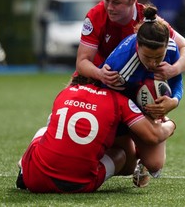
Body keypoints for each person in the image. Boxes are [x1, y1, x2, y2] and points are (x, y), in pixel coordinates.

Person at [16, 75, 176, 193]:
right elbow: (153, 136)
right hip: (79, 185)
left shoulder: (66, 92)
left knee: (45, 130)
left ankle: (24, 168)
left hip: (35, 180)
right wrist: (170, 123)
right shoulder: (118, 100)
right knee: (123, 156)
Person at [101, 4, 183, 187]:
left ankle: (159, 124)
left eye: (158, 57)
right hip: (118, 108)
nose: (153, 63)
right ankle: (165, 126)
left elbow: (177, 80)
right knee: (126, 164)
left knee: (154, 165)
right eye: (147, 57)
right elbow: (104, 95)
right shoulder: (121, 63)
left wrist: (174, 100)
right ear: (137, 45)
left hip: (143, 108)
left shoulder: (170, 47)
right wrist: (138, 121)